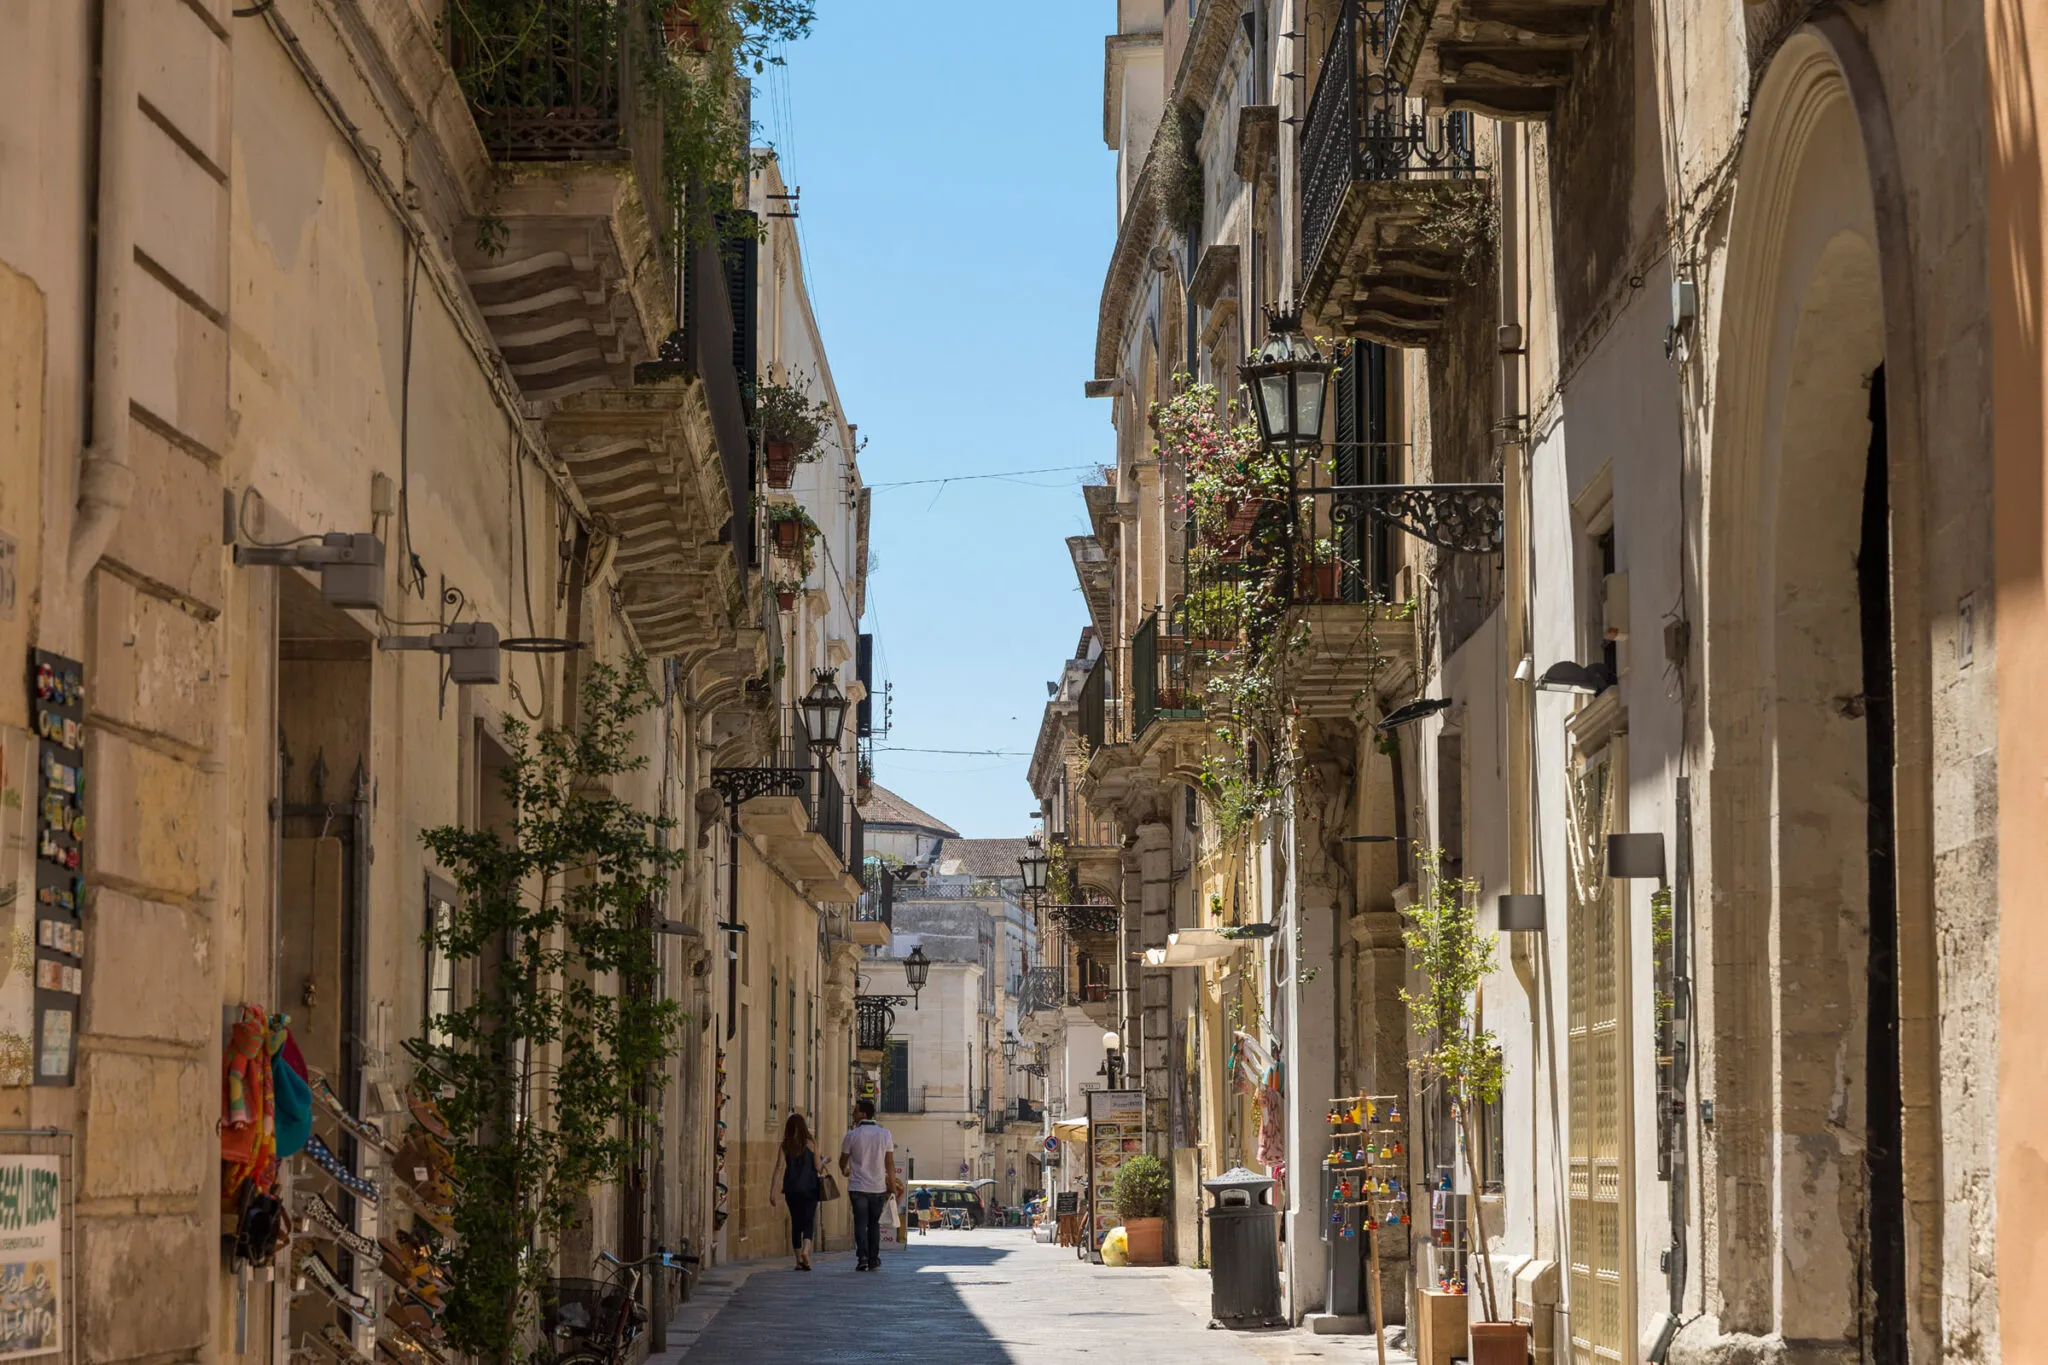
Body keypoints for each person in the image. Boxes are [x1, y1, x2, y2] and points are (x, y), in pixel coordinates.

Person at [839, 1098, 900, 1271]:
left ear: (864, 1114)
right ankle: (874, 1258)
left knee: (860, 1221)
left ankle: (862, 1256)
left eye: (856, 1111)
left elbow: (843, 1159)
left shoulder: (852, 1135)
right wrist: (893, 1186)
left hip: (858, 1187)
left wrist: (844, 1169)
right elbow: (889, 1162)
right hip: (877, 1187)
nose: (853, 1114)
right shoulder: (885, 1134)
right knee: (874, 1224)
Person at [768, 1112, 823, 1270]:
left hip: (792, 1190)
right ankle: (806, 1251)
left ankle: (798, 1260)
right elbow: (818, 1167)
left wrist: (772, 1191)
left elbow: (779, 1167)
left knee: (796, 1223)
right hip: (810, 1188)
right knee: (808, 1221)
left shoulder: (785, 1145)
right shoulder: (811, 1143)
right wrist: (824, 1161)